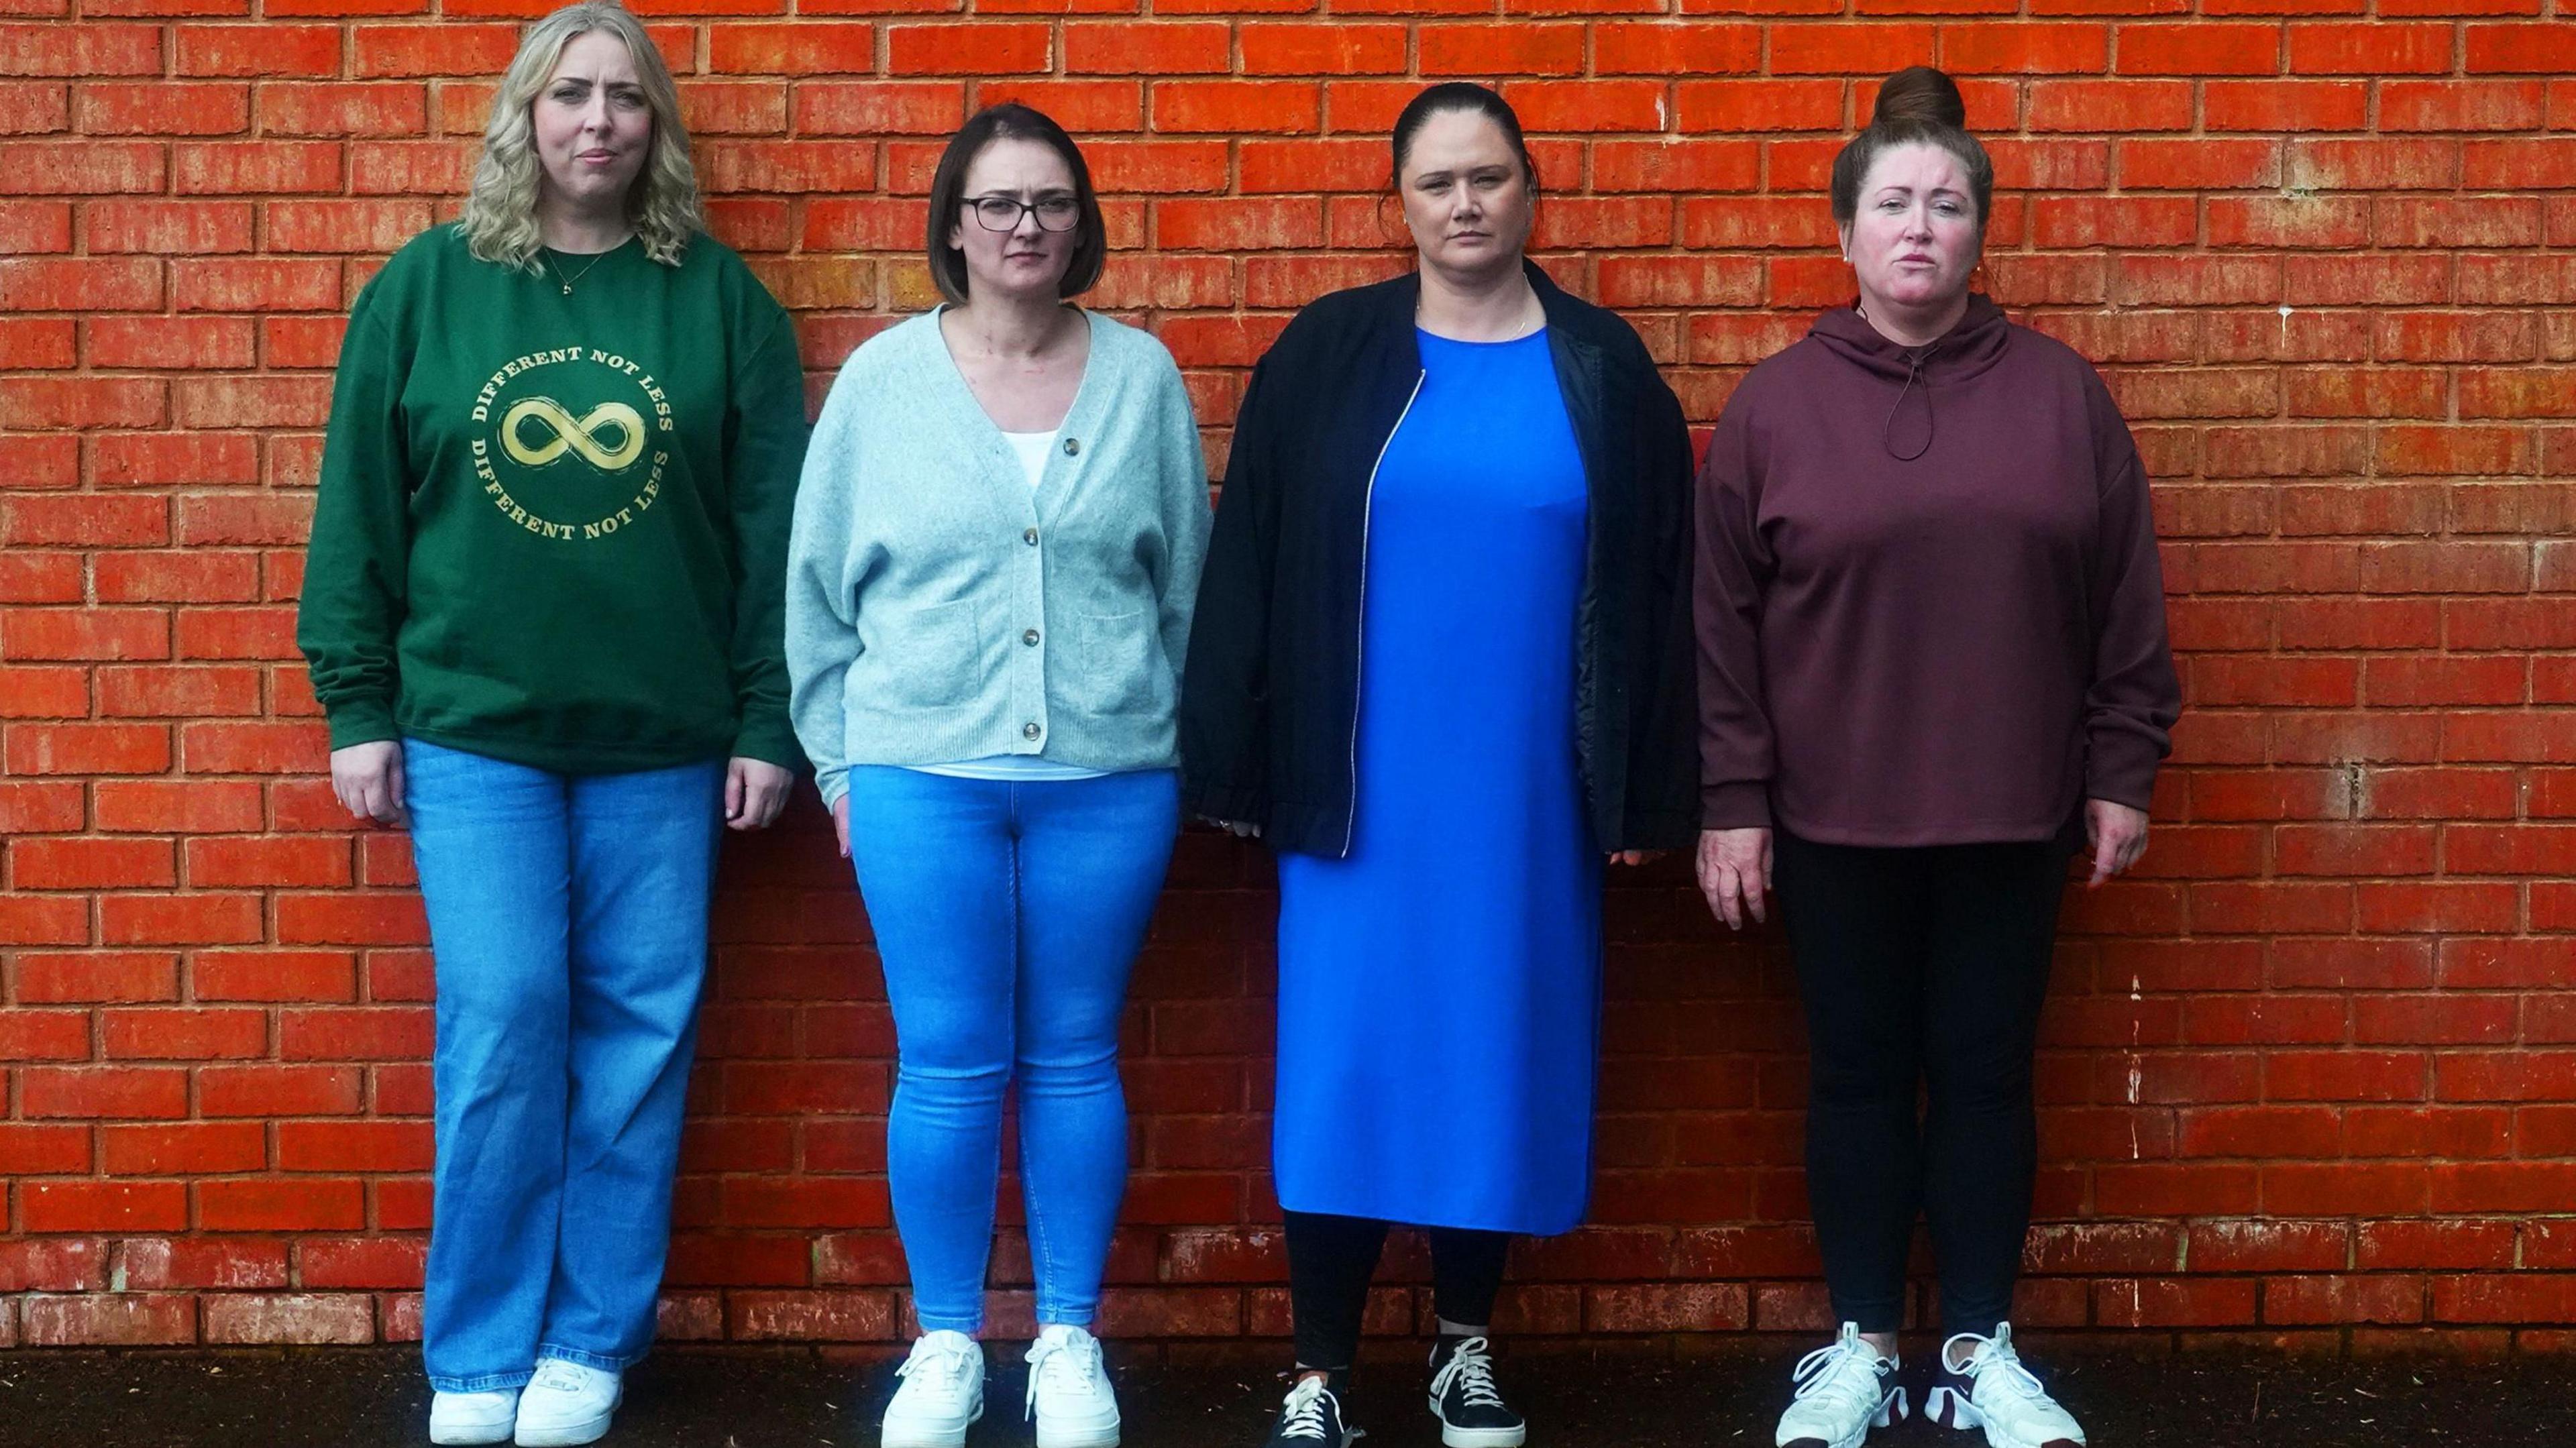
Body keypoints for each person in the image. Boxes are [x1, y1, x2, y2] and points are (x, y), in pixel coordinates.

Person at [293, 5, 806, 1445]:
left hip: (665, 738)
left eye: (626, 100)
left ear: (658, 129)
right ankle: (476, 1350)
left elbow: (776, 541)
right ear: (526, 115)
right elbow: (359, 514)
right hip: (473, 729)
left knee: (641, 1035)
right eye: (571, 94)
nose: (599, 121)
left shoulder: (720, 307)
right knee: (507, 1021)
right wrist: (358, 703)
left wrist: (769, 721)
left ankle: (591, 1341)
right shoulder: (429, 290)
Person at [1180, 81, 1698, 1448]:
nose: (1466, 204)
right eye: (1437, 183)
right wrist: (1232, 763)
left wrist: (1645, 784)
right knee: (1345, 1062)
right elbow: (1253, 557)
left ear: (1531, 191)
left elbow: (1659, 587)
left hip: (1527, 797)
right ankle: (1320, 1371)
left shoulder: (1602, 365)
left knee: (1496, 1057)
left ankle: (1466, 1346)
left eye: (1489, 178)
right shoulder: (1330, 355)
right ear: (1399, 204)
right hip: (1360, 795)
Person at [1694, 66, 2181, 1448]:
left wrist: (2121, 766)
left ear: (1980, 234)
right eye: (1893, 203)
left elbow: (2124, 600)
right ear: (1845, 233)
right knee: (1853, 1078)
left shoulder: (2062, 399)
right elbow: (1721, 625)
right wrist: (1733, 800)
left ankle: (1977, 1349)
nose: (1920, 227)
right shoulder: (1777, 408)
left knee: (1984, 1077)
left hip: (2009, 809)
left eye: (1947, 204)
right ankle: (1859, 1347)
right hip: (1831, 819)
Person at [784, 103, 1211, 1448]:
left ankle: (1071, 1338)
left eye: (1051, 203)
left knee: (1078, 1054)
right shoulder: (881, 382)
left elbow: (1186, 586)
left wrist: (1173, 744)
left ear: (1080, 225)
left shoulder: (1140, 377)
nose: (1025, 226)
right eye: (997, 203)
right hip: (919, 770)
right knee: (951, 1058)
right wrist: (842, 766)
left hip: (1109, 774)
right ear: (952, 226)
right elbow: (815, 592)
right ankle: (950, 1340)